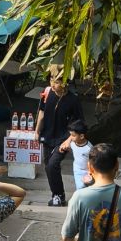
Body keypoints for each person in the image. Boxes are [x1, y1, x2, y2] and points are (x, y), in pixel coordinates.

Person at [35, 68, 84, 207]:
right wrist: (37, 131)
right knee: (48, 167)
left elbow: (79, 122)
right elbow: (41, 113)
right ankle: (58, 195)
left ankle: (58, 195)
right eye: (51, 80)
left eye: (56, 81)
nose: (52, 84)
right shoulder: (47, 93)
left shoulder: (73, 100)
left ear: (64, 83)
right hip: (47, 135)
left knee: (53, 164)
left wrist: (69, 140)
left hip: (63, 138)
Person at [46, 117, 93, 202]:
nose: (70, 137)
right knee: (80, 187)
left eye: (73, 135)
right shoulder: (73, 143)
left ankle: (83, 202)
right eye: (70, 135)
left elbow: (93, 161)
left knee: (85, 188)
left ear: (82, 136)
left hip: (87, 171)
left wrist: (91, 172)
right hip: (77, 170)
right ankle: (82, 203)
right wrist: (63, 148)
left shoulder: (89, 148)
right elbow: (68, 146)